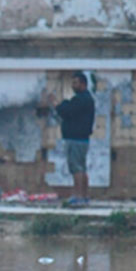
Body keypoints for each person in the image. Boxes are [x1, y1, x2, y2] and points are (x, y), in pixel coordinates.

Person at [49, 71, 95, 206]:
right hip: (82, 139)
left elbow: (66, 110)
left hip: (75, 139)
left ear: (83, 84)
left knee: (76, 168)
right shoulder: (86, 99)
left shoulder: (81, 100)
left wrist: (56, 104)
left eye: (75, 83)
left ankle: (78, 196)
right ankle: (84, 196)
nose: (73, 86)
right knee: (82, 168)